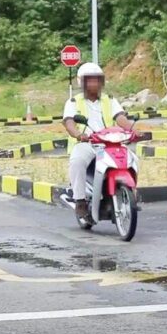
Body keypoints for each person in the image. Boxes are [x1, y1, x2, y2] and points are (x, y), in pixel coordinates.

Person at [62, 62, 139, 220]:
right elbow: (69, 122)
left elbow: (120, 117)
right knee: (77, 161)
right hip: (87, 143)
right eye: (89, 80)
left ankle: (132, 192)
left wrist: (132, 129)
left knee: (133, 158)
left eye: (97, 80)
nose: (93, 83)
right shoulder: (73, 102)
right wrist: (78, 134)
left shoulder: (109, 100)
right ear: (81, 82)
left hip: (110, 143)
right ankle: (80, 200)